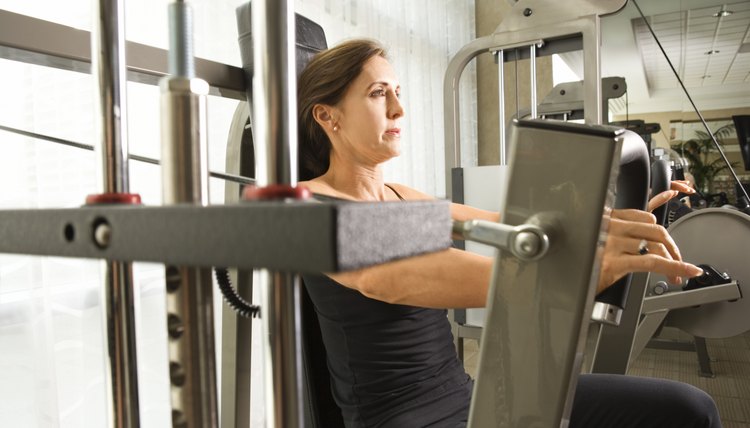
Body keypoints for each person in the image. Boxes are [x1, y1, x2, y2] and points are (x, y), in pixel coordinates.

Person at [297, 39, 721, 428]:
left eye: (398, 93)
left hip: (467, 395)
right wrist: (576, 270)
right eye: (378, 94)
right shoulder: (315, 212)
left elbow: (509, 223)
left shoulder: (397, 197)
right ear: (326, 114)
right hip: (408, 420)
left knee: (688, 411)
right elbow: (397, 274)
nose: (398, 110)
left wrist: (602, 222)